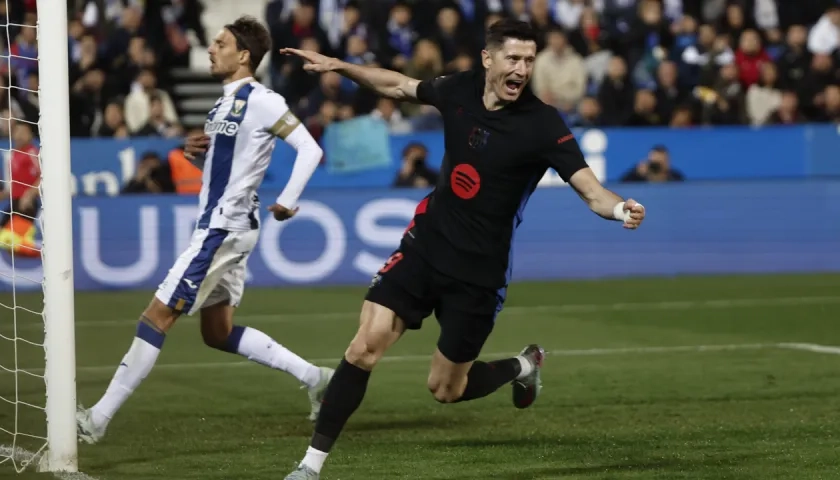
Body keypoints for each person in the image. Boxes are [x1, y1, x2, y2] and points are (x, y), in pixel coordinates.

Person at [280, 18, 647, 479]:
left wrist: (619, 211)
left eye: (529, 60)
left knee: (446, 389)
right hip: (425, 247)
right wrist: (338, 65)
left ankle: (522, 365)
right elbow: (397, 85)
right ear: (488, 58)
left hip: (478, 273)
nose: (522, 69)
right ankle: (310, 467)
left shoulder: (542, 124)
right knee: (363, 348)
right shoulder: (458, 89)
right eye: (513, 58)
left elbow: (591, 191)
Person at [76, 16, 334, 444]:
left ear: (244, 55)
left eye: (220, 43)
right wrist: (196, 155)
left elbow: (309, 147)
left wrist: (288, 198)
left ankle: (98, 419)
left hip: (224, 227)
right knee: (217, 333)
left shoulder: (262, 98)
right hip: (228, 223)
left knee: (156, 316)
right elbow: (229, 166)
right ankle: (315, 377)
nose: (211, 49)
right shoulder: (222, 104)